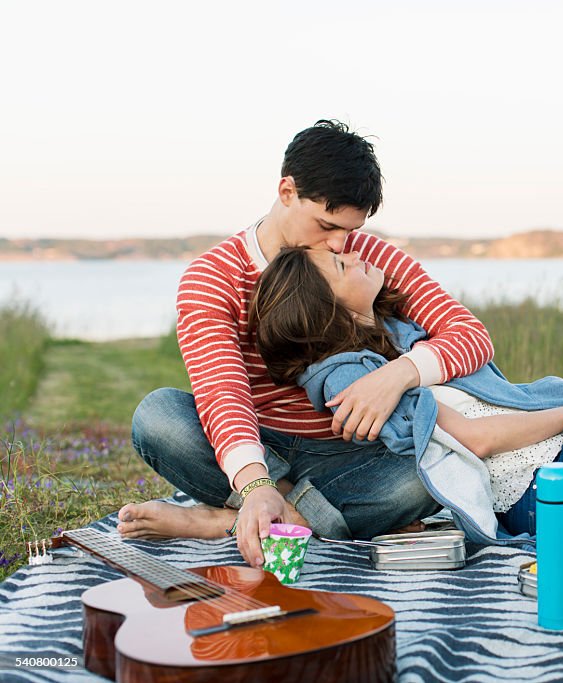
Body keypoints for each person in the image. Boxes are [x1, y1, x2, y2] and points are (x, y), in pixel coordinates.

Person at [119, 120, 497, 568]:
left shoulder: (366, 257)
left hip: (355, 454)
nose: (340, 244)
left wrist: (398, 375)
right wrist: (257, 484)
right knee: (159, 417)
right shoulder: (212, 276)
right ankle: (283, 508)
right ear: (286, 192)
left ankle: (225, 521)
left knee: (431, 476)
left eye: (349, 230)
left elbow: (472, 337)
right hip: (263, 443)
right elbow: (223, 393)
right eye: (326, 225)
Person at [245, 246, 563, 546]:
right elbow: (478, 439)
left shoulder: (400, 344)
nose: (355, 254)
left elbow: (470, 337)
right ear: (328, 309)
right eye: (339, 264)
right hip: (548, 497)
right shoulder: (357, 383)